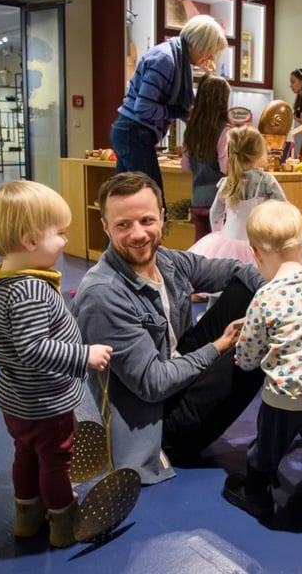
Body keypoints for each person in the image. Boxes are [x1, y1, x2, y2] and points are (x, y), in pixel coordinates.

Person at [70, 171, 266, 485]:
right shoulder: (103, 294)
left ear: (162, 218)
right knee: (261, 346)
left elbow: (238, 270)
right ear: (105, 226)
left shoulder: (167, 262)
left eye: (146, 220)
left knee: (247, 290)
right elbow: (152, 385)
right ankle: (273, 451)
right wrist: (218, 346)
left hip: (178, 373)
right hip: (160, 424)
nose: (138, 234)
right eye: (123, 224)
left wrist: (284, 295)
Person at [0, 180, 113, 548]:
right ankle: (63, 523)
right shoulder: (31, 290)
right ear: (30, 239)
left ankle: (27, 516)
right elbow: (34, 348)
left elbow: (9, 339)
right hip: (46, 400)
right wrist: (84, 355)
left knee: (24, 454)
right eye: (60, 233)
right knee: (56, 462)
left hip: (15, 398)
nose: (66, 241)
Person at [222, 199, 302, 518]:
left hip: (283, 399)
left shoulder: (266, 296)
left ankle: (256, 494)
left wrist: (242, 360)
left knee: (267, 449)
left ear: (256, 254)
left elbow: (248, 351)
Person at [111, 14, 229, 196]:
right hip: (133, 132)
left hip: (132, 132)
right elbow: (143, 107)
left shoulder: (176, 58)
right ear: (200, 45)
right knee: (152, 198)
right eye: (211, 50)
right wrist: (176, 111)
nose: (211, 56)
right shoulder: (165, 60)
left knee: (127, 199)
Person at [187, 125, 302, 270]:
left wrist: (220, 233)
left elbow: (215, 213)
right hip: (259, 244)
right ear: (259, 152)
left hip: (228, 241)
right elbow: (284, 208)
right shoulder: (266, 181)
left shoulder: (228, 182)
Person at [181, 73, 232, 240]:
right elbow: (226, 167)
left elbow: (186, 166)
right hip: (218, 202)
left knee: (201, 248)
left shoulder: (191, 128)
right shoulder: (224, 130)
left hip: (197, 199)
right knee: (220, 248)